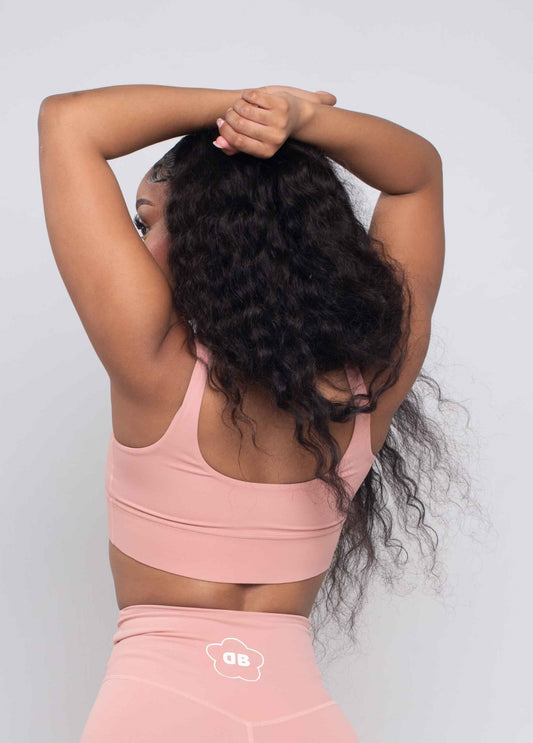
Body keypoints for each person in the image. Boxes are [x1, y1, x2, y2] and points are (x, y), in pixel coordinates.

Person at [38, 84, 448, 741]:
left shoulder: (153, 364)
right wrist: (295, 118)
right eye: (139, 224)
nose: (141, 247)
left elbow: (68, 121)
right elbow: (415, 178)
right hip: (302, 719)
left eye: (152, 223)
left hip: (154, 712)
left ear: (213, 235)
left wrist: (241, 107)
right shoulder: (370, 383)